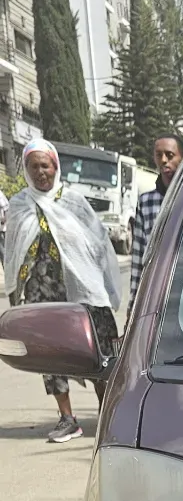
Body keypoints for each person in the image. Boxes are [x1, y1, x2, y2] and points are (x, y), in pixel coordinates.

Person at [4, 138, 121, 443]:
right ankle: (67, 418)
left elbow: (96, 243)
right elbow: (13, 251)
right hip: (42, 292)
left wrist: (98, 282)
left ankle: (108, 415)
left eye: (45, 165)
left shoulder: (74, 202)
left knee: (100, 351)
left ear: (56, 166)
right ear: (27, 171)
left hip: (82, 291)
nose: (40, 172)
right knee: (50, 356)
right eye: (34, 166)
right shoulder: (19, 205)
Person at [129, 133, 183, 307]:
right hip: (155, 294)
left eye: (169, 155)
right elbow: (139, 257)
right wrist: (133, 306)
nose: (163, 160)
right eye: (158, 155)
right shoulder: (146, 202)